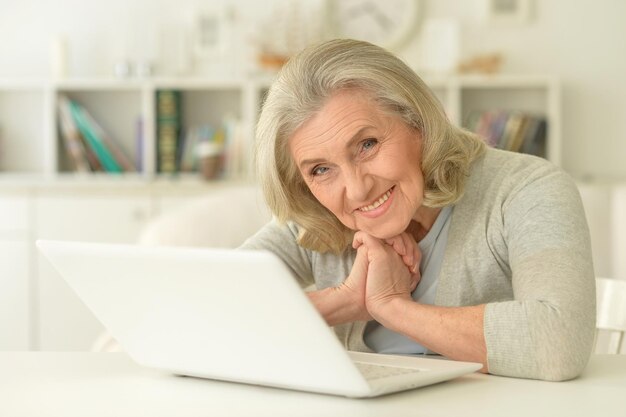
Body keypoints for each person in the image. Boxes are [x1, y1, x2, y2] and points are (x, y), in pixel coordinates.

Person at [241, 39, 596, 381]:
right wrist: (346, 302)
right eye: (321, 169)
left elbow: (559, 340)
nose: (357, 189)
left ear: (419, 122)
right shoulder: (313, 219)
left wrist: (392, 307)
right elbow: (203, 313)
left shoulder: (525, 189)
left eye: (367, 145)